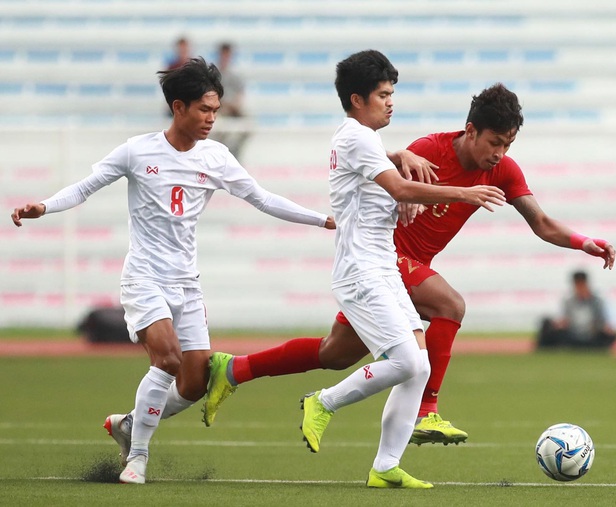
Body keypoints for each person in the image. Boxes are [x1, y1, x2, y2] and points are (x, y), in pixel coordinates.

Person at [203, 83, 616, 446]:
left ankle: (236, 368)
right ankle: (425, 410)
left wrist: (585, 243)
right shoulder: (429, 151)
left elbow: (542, 224)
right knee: (450, 305)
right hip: (384, 259)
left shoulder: (503, 171)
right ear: (470, 130)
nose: (500, 153)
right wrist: (413, 190)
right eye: (494, 142)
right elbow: (388, 184)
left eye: (508, 144)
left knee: (335, 354)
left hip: (402, 270)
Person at [10, 57, 335, 484]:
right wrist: (44, 207)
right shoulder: (137, 150)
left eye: (216, 110)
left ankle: (129, 424)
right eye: (204, 109)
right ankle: (138, 458)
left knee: (195, 382)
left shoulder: (216, 157)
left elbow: (261, 197)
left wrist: (320, 219)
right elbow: (85, 187)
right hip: (144, 277)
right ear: (178, 107)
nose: (211, 119)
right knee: (167, 358)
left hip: (187, 282)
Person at [295, 49, 503, 489]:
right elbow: (400, 187)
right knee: (406, 360)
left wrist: (398, 155)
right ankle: (323, 402)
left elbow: (388, 178)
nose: (391, 102)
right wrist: (467, 194)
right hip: (359, 272)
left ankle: (385, 466)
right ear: (357, 99)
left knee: (420, 367)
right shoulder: (355, 137)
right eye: (383, 95)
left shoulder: (362, 139)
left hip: (382, 267)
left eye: (393, 93)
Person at [536, 270, 616, 349]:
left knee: (611, 335)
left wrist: (604, 327)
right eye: (577, 285)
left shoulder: (596, 301)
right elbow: (565, 321)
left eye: (581, 284)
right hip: (572, 334)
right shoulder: (569, 301)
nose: (580, 288)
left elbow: (601, 322)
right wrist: (559, 324)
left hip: (591, 335)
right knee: (547, 323)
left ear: (586, 284)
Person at [210, 42, 250, 158]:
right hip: (218, 110)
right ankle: (220, 156)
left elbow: (240, 96)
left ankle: (235, 154)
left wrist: (233, 106)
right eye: (224, 54)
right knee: (219, 129)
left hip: (233, 110)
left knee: (247, 126)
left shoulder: (236, 75)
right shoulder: (213, 74)